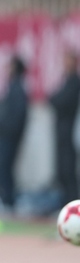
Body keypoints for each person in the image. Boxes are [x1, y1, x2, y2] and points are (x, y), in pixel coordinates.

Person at [0, 55, 29, 208]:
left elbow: (17, 116)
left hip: (9, 136)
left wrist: (4, 129)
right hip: (7, 135)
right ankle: (6, 199)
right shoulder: (13, 86)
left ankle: (8, 200)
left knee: (5, 167)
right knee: (3, 167)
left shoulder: (18, 88)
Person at [49, 51, 80, 205]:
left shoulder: (75, 82)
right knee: (61, 170)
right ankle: (64, 202)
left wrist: (56, 100)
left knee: (69, 170)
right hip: (61, 132)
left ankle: (73, 202)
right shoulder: (65, 80)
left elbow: (61, 100)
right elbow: (54, 98)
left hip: (70, 132)